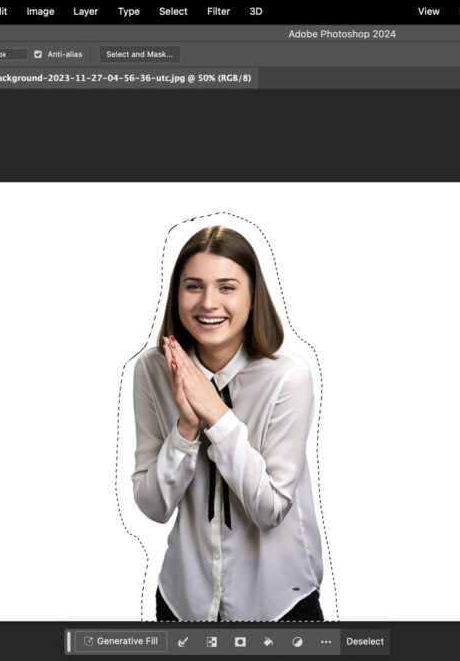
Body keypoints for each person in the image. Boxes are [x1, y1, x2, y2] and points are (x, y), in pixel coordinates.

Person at [132, 226, 324, 622]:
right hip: (184, 601)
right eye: (193, 286)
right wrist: (186, 428)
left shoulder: (288, 378)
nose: (208, 303)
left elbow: (269, 509)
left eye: (226, 287)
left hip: (278, 604)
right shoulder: (153, 371)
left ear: (252, 297)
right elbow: (152, 505)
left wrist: (217, 417)